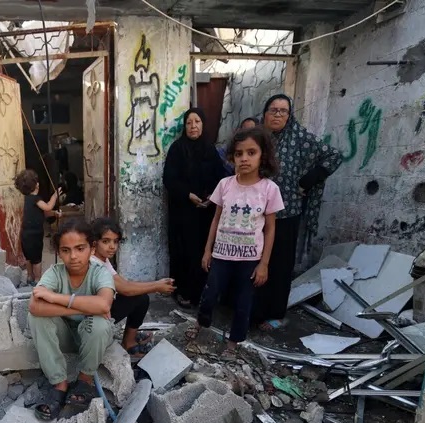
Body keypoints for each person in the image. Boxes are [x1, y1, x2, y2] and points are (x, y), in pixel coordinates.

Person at [185, 127, 284, 357]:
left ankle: (233, 343)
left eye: (251, 152)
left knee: (243, 302)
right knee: (210, 294)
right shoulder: (225, 184)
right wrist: (207, 250)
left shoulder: (269, 189)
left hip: (250, 259)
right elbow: (216, 219)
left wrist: (264, 264)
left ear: (263, 156)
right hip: (221, 254)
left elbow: (270, 229)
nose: (244, 159)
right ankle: (201, 324)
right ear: (232, 157)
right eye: (239, 154)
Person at [255, 94, 341, 331]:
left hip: (286, 212)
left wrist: (307, 181)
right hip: (256, 212)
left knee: (280, 265)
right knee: (254, 261)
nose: (278, 115)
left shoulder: (300, 138)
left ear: (289, 115)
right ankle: (253, 309)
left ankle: (275, 313)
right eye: (273, 110)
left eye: (283, 111)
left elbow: (334, 156)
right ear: (265, 113)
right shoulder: (258, 137)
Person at [28, 219, 115, 421]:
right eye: (66, 250)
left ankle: (84, 380)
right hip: (66, 336)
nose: (73, 256)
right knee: (37, 317)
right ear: (59, 252)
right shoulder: (55, 273)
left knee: (99, 322)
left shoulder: (100, 273)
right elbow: (34, 306)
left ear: (92, 248)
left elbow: (104, 305)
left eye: (80, 248)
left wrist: (55, 298)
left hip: (93, 335)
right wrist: (82, 308)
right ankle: (59, 384)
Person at [163, 107, 225, 309]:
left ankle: (201, 293)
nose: (193, 126)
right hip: (183, 213)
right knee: (183, 251)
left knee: (202, 251)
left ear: (203, 124)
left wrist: (211, 197)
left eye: (197, 122)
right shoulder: (177, 149)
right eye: (189, 122)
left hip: (204, 213)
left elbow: (220, 178)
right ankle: (182, 291)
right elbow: (169, 179)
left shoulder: (210, 150)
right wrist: (188, 195)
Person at [90, 217, 176, 358]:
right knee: (139, 298)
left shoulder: (103, 259)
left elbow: (123, 283)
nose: (112, 246)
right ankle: (128, 343)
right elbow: (125, 289)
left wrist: (157, 283)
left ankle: (129, 340)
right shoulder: (94, 262)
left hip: (102, 309)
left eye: (115, 241)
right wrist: (156, 286)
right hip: (94, 316)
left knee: (141, 298)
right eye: (106, 241)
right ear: (95, 243)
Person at [14, 169, 61, 285]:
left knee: (29, 258)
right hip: (35, 234)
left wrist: (54, 214)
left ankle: (30, 277)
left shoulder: (26, 199)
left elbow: (43, 213)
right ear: (36, 185)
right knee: (37, 259)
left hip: (25, 234)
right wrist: (55, 196)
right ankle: (38, 280)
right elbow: (48, 207)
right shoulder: (36, 199)